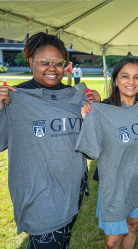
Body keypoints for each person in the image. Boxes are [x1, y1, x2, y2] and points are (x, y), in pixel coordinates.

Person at [0, 32, 101, 249]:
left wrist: (94, 109)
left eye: (58, 63)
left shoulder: (75, 97)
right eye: (44, 62)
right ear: (31, 62)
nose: (52, 68)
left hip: (72, 191)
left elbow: (92, 144)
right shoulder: (14, 98)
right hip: (40, 197)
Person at [76, 57, 138, 249]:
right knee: (112, 242)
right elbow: (90, 152)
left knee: (133, 227)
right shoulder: (103, 110)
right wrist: (88, 118)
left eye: (137, 77)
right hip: (115, 184)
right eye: (125, 76)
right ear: (116, 80)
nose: (131, 82)